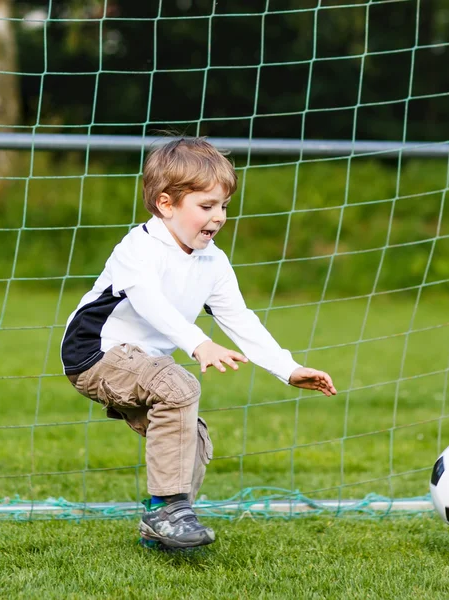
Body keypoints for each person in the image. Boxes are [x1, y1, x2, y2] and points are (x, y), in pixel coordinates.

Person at [61, 137, 337, 550]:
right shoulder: (138, 248)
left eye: (224, 206)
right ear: (166, 204)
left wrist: (288, 368)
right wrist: (198, 343)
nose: (219, 217)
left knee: (195, 436)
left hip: (146, 363)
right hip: (96, 353)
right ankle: (168, 513)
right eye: (206, 206)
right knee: (180, 386)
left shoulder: (213, 261)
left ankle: (163, 524)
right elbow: (148, 301)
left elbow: (240, 319)